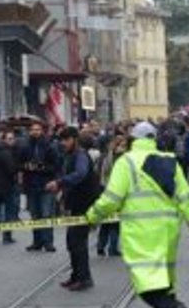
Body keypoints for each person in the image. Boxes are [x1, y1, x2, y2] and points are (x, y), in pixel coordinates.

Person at [86, 122, 189, 308]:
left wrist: (92, 217)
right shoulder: (171, 162)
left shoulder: (127, 162)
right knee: (165, 283)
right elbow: (187, 200)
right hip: (168, 231)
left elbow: (112, 199)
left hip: (141, 232)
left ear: (134, 139)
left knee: (145, 284)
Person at [46, 127, 102, 291]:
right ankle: (76, 275)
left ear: (74, 139)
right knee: (72, 242)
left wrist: (59, 183)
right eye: (61, 140)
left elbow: (80, 174)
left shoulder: (81, 155)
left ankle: (84, 278)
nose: (63, 143)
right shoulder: (70, 155)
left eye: (66, 140)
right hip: (76, 204)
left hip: (84, 204)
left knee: (78, 243)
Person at [21, 121, 60, 252]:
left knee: (46, 214)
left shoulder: (49, 146)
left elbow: (56, 165)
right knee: (35, 215)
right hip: (31, 185)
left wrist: (41, 168)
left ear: (42, 131)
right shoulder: (25, 145)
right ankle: (37, 242)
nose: (35, 132)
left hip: (46, 185)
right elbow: (19, 163)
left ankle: (48, 242)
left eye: (38, 129)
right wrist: (26, 166)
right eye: (33, 129)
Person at [95, 135, 127, 257]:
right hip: (116, 191)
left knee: (106, 221)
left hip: (104, 190)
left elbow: (98, 174)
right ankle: (112, 248)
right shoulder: (122, 158)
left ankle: (100, 246)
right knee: (115, 222)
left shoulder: (103, 157)